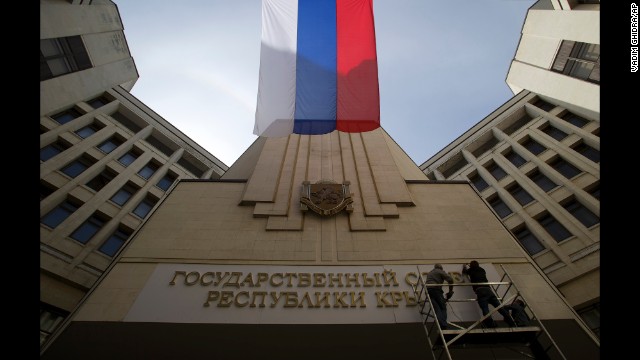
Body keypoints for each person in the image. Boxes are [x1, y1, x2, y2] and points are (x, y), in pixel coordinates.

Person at [462, 260, 516, 328]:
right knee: (499, 307)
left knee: (485, 308)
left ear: (471, 266)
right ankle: (511, 322)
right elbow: (475, 270)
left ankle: (490, 324)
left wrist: (464, 266)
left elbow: (464, 272)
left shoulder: (471, 270)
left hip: (480, 290)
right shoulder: (482, 270)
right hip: (489, 290)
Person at [425, 263, 455, 330]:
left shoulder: (430, 273)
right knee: (442, 307)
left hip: (428, 292)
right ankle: (443, 325)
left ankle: (441, 324)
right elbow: (450, 279)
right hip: (436, 290)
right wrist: (450, 291)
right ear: (441, 268)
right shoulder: (439, 271)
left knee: (437, 309)